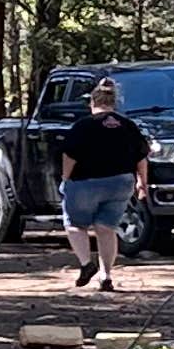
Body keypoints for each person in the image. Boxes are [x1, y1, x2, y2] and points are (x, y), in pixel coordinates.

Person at [55, 79, 150, 290]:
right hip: (121, 183)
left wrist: (66, 178)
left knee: (75, 225)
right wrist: (142, 184)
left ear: (92, 103)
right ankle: (106, 276)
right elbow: (141, 157)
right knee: (106, 228)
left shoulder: (83, 125)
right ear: (114, 103)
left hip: (85, 183)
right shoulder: (128, 125)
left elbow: (69, 155)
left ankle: (86, 264)